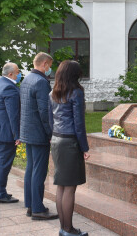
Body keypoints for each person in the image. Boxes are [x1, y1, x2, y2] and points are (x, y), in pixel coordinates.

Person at [51, 60, 90, 236]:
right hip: (69, 142)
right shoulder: (76, 92)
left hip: (56, 139)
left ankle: (63, 228)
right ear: (74, 74)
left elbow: (50, 119)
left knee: (61, 186)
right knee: (69, 188)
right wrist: (85, 148)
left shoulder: (53, 92)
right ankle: (68, 229)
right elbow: (79, 124)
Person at [20, 52, 58, 220]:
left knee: (30, 168)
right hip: (39, 133)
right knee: (39, 171)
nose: (50, 69)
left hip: (28, 131)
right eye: (49, 66)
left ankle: (30, 205)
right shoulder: (42, 82)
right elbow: (44, 112)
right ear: (44, 65)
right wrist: (50, 133)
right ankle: (38, 208)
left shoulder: (27, 79)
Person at [0, 62, 22, 204]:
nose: (20, 74)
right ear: (10, 74)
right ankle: (0, 193)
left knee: (2, 162)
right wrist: (17, 135)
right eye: (18, 71)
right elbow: (13, 115)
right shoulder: (9, 87)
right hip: (5, 132)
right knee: (4, 163)